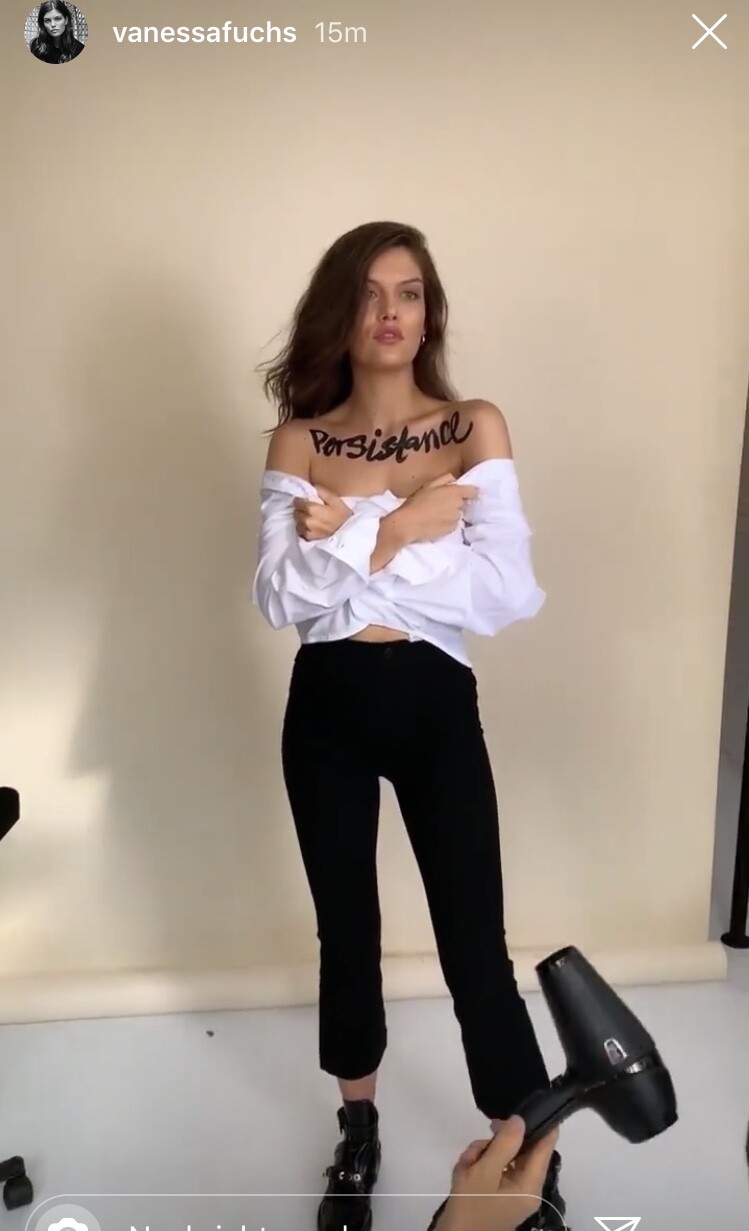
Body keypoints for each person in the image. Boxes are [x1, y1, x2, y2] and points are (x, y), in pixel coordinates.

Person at [251, 220, 567, 1231]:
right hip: (326, 706)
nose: (389, 311)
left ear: (429, 312)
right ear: (338, 312)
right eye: (369, 292)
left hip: (435, 701)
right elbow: (279, 596)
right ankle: (358, 1131)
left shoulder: (472, 426)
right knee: (346, 932)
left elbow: (504, 591)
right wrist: (401, 525)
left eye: (410, 292)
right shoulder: (300, 439)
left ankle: (524, 1154)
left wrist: (343, 538)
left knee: (475, 941)